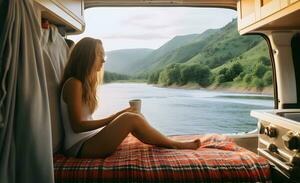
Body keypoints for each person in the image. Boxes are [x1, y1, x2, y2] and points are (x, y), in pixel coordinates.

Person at [60, 37, 201, 158]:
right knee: (130, 118)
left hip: (88, 140)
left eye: (104, 55)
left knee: (135, 115)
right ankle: (174, 145)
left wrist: (116, 117)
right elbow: (77, 126)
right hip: (78, 147)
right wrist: (114, 117)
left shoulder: (82, 84)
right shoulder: (74, 83)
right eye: (98, 54)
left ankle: (165, 141)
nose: (103, 60)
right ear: (86, 56)